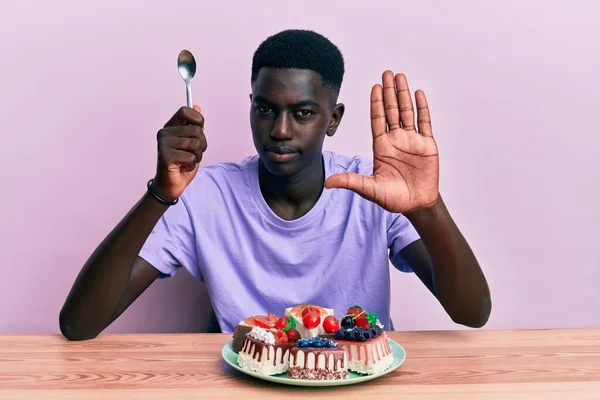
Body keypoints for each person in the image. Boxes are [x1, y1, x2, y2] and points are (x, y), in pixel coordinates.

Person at [59, 29, 491, 340]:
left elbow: (472, 312)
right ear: (251, 107)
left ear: (333, 119)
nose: (280, 130)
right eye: (265, 110)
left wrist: (427, 208)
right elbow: (78, 324)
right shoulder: (207, 195)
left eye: (303, 113)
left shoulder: (375, 191)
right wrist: (160, 192)